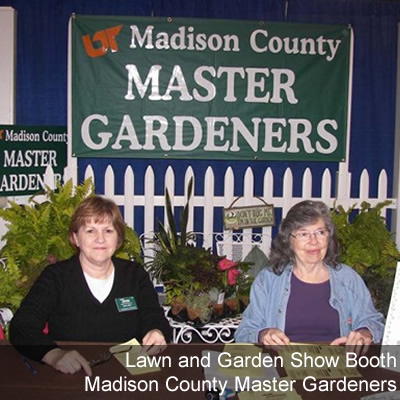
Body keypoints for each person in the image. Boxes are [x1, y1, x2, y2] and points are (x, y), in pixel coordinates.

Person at [10, 195, 172, 375]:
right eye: (90, 231)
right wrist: (54, 355)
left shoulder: (134, 275)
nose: (100, 239)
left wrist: (156, 332)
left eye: (108, 231)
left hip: (129, 376)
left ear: (118, 239)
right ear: (75, 238)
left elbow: (155, 318)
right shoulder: (56, 277)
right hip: (73, 374)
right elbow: (22, 326)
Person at [235, 200, 384, 353]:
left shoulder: (348, 278)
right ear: (289, 241)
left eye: (320, 232)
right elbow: (244, 332)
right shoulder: (269, 280)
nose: (314, 241)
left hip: (337, 367)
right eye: (303, 234)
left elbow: (373, 321)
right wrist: (262, 334)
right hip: (282, 367)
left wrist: (366, 332)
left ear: (329, 237)